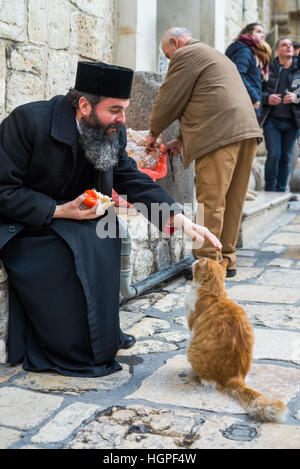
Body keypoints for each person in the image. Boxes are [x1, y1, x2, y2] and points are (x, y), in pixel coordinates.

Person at [0, 61, 221, 377]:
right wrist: (57, 210)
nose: (123, 120)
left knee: (105, 236)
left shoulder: (111, 132)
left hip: (75, 219)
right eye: (115, 110)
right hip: (25, 221)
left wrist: (179, 218)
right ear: (84, 105)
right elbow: (3, 189)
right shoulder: (28, 121)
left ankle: (102, 337)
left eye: (125, 110)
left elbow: (129, 177)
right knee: (67, 252)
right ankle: (68, 347)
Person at [147, 27, 262, 279]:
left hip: (220, 135)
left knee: (210, 201)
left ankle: (207, 264)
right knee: (233, 201)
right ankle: (227, 261)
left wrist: (151, 133)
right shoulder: (214, 54)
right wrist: (180, 138)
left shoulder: (185, 55)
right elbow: (206, 99)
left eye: (168, 55)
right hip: (247, 130)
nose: (169, 61)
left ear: (175, 43)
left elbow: (169, 98)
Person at [260, 38, 300, 192]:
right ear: (277, 51)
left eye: (290, 45)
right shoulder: (269, 69)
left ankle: (281, 190)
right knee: (274, 154)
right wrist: (267, 98)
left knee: (286, 157)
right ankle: (269, 188)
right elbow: (258, 91)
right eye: (284, 45)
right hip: (272, 120)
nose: (288, 47)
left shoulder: (298, 69)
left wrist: (297, 98)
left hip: (293, 122)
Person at [225, 23, 272, 118]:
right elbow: (238, 74)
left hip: (247, 103)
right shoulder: (245, 51)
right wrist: (254, 98)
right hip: (245, 103)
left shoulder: (253, 53)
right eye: (258, 32)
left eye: (263, 33)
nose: (262, 35)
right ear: (249, 34)